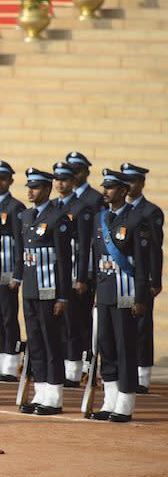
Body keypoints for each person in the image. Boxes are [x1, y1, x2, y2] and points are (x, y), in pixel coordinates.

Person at [90, 169, 151, 423]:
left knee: (125, 346)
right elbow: (96, 259)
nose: (105, 191)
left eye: (111, 187)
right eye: (104, 186)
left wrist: (140, 298)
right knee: (106, 345)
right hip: (104, 293)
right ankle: (109, 400)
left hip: (125, 293)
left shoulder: (137, 220)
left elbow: (143, 263)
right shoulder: (100, 219)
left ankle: (124, 404)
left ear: (124, 191)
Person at [18, 168, 72, 415]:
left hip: (50, 291)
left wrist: (63, 295)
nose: (30, 191)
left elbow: (63, 260)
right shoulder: (26, 216)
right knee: (36, 342)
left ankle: (54, 396)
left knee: (52, 343)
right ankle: (41, 393)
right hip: (30, 290)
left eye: (36, 187)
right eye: (29, 186)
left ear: (48, 189)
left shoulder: (58, 217)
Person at [51, 161, 94, 387]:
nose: (60, 183)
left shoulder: (81, 208)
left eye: (64, 180)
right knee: (58, 323)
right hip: (54, 274)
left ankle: (76, 368)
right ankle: (62, 365)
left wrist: (81, 277)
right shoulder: (51, 207)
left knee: (76, 322)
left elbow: (86, 245)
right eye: (57, 179)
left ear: (72, 182)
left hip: (74, 271)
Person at [122, 162, 163, 394]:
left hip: (141, 278)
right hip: (120, 278)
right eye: (125, 181)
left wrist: (155, 281)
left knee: (141, 326)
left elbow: (155, 249)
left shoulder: (150, 212)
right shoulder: (117, 212)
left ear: (142, 183)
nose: (129, 185)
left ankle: (142, 374)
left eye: (133, 181)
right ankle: (125, 372)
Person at [0, 160, 25, 382]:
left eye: (3, 178)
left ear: (10, 181)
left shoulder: (15, 207)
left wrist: (17, 274)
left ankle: (11, 362)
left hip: (8, 272)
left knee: (9, 317)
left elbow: (20, 243)